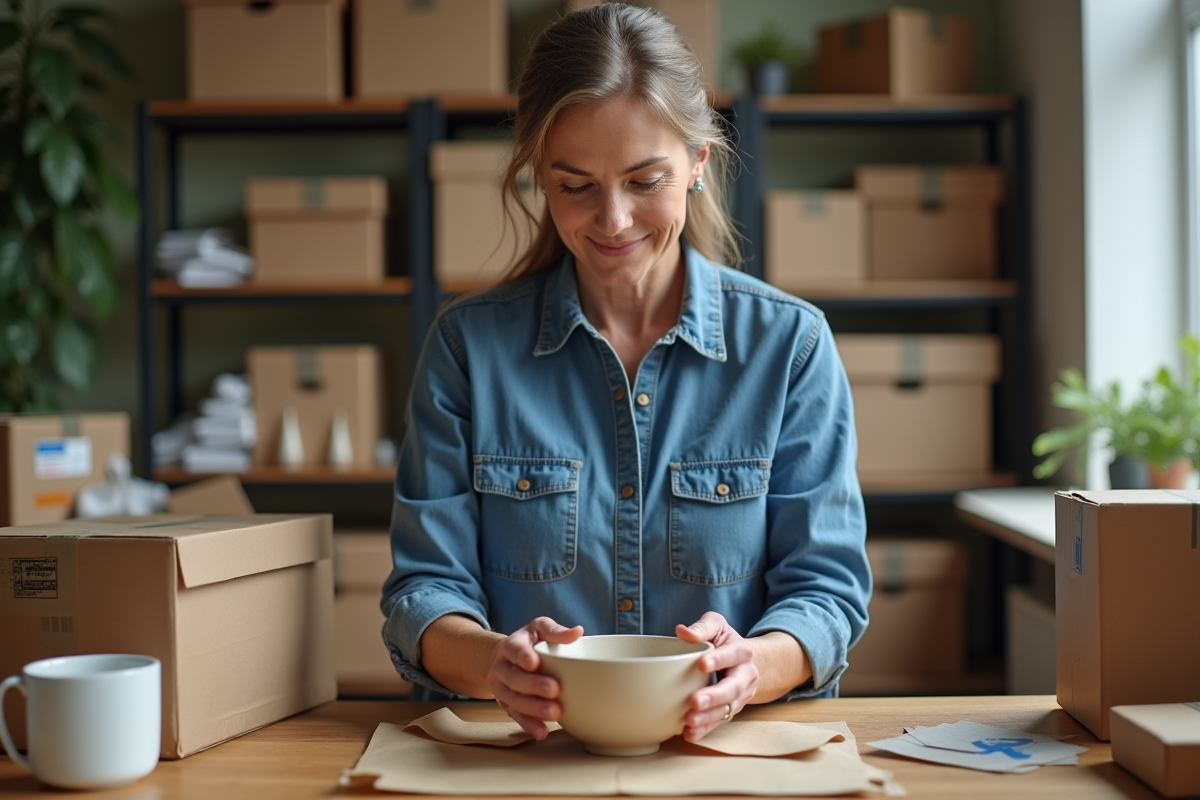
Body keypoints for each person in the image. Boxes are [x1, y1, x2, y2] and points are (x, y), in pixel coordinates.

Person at [382, 3, 871, 744]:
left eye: (645, 180)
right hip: (522, 766)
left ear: (699, 164)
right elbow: (423, 591)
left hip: (728, 762)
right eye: (575, 185)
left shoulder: (791, 346)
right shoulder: (466, 349)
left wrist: (752, 666)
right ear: (539, 178)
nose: (611, 220)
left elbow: (826, 594)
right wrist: (495, 663)